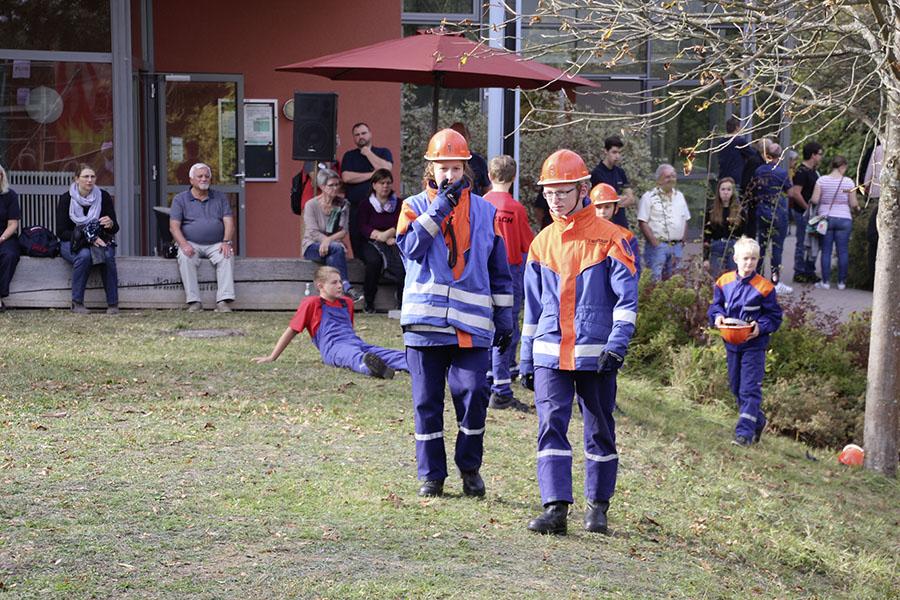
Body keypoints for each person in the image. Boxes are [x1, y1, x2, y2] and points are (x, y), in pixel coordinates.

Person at [520, 150, 638, 536]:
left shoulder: (614, 239)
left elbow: (626, 302)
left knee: (599, 429)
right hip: (549, 354)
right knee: (550, 426)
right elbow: (532, 310)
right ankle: (555, 507)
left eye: (562, 191)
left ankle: (598, 506)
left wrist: (617, 345)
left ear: (583, 189)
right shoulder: (541, 244)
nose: (555, 199)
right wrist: (525, 358)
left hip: (597, 355)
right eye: (549, 192)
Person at [396, 128, 513, 499]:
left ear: (466, 169)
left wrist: (506, 316)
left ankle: (469, 467)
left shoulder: (486, 211)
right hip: (424, 326)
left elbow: (500, 271)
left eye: (456, 168)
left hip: (471, 327)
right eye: (442, 168)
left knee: (474, 393)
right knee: (426, 402)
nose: (449, 175)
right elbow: (412, 247)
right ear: (430, 168)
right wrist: (440, 207)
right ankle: (431, 475)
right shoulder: (413, 205)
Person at [252, 266, 407, 378]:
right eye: (334, 283)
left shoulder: (347, 303)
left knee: (391, 354)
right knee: (352, 356)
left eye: (340, 282)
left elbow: (349, 330)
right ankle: (371, 369)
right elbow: (291, 330)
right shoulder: (312, 303)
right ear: (320, 286)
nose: (340, 286)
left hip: (356, 342)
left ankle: (416, 365)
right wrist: (272, 357)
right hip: (333, 348)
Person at [708, 236, 783, 447]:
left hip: (754, 346)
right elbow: (715, 306)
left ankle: (744, 434)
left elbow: (774, 317)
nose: (749, 263)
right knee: (735, 387)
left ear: (758, 260)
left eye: (753, 259)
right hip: (731, 343)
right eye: (745, 258)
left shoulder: (765, 287)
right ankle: (757, 421)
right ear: (735, 259)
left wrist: (760, 327)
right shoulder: (724, 282)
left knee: (749, 389)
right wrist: (718, 317)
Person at [483, 155, 534, 412]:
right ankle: (501, 390)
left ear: (490, 176)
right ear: (513, 178)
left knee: (486, 326)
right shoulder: (516, 209)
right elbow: (528, 246)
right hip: (510, 272)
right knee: (507, 327)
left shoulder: (480, 204)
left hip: (483, 274)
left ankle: (491, 377)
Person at [170, 163, 236, 312]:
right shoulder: (180, 199)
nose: (204, 179)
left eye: (207, 176)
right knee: (185, 257)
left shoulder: (220, 197)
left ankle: (223, 301)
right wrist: (184, 244)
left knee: (227, 255)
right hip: (191, 243)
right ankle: (194, 302)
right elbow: (174, 226)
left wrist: (226, 242)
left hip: (216, 243)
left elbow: (229, 222)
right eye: (200, 176)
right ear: (191, 180)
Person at [55, 164, 120, 315]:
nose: (89, 180)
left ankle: (113, 304)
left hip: (100, 241)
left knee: (108, 256)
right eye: (85, 177)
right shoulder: (66, 199)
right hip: (73, 242)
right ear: (76, 179)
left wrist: (110, 224)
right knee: (83, 256)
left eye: (92, 177)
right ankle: (77, 303)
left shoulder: (103, 197)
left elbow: (115, 228)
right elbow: (61, 232)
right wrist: (88, 237)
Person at [302, 168, 363, 303]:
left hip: (333, 247)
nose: (335, 188)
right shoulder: (311, 205)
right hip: (312, 245)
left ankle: (333, 298)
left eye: (337, 185)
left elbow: (343, 230)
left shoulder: (343, 204)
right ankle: (346, 286)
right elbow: (312, 231)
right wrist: (326, 241)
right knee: (337, 248)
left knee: (334, 253)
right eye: (331, 185)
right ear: (322, 187)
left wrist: (328, 241)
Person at [341, 122, 394, 257]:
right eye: (357, 135)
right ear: (353, 138)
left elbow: (386, 170)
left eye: (363, 133)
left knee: (378, 245)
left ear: (370, 134)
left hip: (378, 209)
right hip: (356, 208)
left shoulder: (383, 152)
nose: (360, 137)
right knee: (357, 244)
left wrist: (368, 153)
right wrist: (372, 175)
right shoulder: (349, 156)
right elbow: (346, 177)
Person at [751, 142, 797, 294]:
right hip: (778, 214)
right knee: (777, 248)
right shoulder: (781, 173)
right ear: (780, 156)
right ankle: (775, 282)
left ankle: (756, 278)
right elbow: (790, 193)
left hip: (762, 212)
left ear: (767, 155)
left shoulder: (759, 171)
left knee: (761, 247)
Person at [357, 168, 404, 313]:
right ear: (374, 185)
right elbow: (362, 226)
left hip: (394, 240)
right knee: (374, 262)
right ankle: (369, 302)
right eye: (381, 183)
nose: (385, 186)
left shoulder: (400, 204)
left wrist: (390, 234)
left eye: (388, 183)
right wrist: (380, 236)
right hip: (371, 242)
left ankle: (402, 302)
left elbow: (404, 221)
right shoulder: (365, 204)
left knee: (403, 263)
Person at [810, 155, 859, 290]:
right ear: (843, 166)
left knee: (826, 251)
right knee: (842, 251)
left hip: (825, 219)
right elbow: (853, 203)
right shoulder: (848, 182)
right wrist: (857, 210)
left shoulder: (822, 180)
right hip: (844, 219)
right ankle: (841, 283)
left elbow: (814, 200)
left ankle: (825, 282)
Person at [637, 163, 691, 280]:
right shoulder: (649, 197)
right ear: (659, 180)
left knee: (675, 281)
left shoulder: (680, 196)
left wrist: (682, 241)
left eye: (673, 176)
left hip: (676, 247)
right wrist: (655, 243)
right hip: (658, 247)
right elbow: (642, 222)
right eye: (667, 177)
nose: (671, 179)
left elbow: (685, 219)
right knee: (654, 281)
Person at [591, 183, 641, 280]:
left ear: (616, 208)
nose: (602, 211)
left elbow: (634, 270)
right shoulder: (583, 235)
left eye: (607, 207)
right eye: (598, 207)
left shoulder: (626, 236)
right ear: (591, 208)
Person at [789, 142, 823, 283]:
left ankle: (809, 270)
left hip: (813, 214)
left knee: (812, 241)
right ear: (813, 155)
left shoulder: (814, 171)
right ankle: (799, 271)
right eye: (820, 154)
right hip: (803, 213)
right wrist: (806, 208)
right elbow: (796, 193)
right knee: (802, 241)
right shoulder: (802, 172)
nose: (821, 157)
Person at [589, 135, 636, 230]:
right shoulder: (597, 173)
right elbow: (598, 202)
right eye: (614, 152)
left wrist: (615, 202)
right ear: (606, 151)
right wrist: (618, 200)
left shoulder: (620, 172)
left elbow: (631, 198)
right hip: (604, 222)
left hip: (621, 222)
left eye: (619, 153)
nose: (617, 156)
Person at [702, 177, 746, 277]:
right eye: (723, 189)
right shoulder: (711, 211)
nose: (725, 192)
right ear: (718, 191)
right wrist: (705, 258)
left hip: (734, 247)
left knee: (734, 278)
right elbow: (707, 236)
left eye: (729, 189)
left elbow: (744, 234)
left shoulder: (740, 211)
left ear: (733, 192)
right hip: (717, 246)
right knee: (716, 279)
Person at [0, 164, 22, 311]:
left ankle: (0, 296)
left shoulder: (10, 195)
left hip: (5, 236)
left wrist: (1, 238)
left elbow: (13, 224)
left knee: (9, 255)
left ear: (2, 176)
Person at [449, 122, 490, 195]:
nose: (459, 139)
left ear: (469, 137)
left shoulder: (478, 162)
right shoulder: (444, 161)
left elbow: (487, 189)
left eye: (462, 135)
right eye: (455, 136)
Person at [863, 142, 883, 285]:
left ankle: (873, 279)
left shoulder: (878, 150)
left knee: (873, 235)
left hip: (878, 193)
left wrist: (866, 189)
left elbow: (869, 173)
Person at [716, 116, 748, 185]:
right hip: (735, 178)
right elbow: (752, 155)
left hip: (723, 176)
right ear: (737, 127)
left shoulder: (721, 142)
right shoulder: (739, 141)